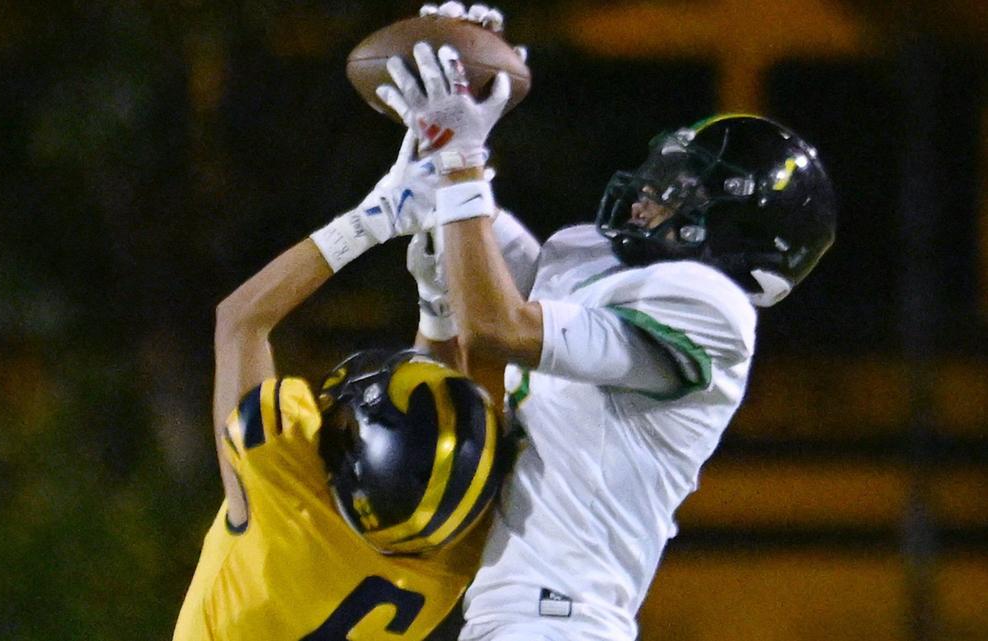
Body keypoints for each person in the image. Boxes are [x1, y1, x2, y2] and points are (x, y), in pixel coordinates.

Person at [377, 14, 838, 641]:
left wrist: (459, 159)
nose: (652, 193)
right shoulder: (597, 262)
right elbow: (472, 233)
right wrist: (451, 106)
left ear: (737, 229)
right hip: (515, 619)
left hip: (559, 620)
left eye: (682, 190)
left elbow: (494, 325)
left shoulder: (712, 307)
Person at [171, 125, 508, 641]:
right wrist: (438, 309)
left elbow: (240, 320)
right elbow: (439, 444)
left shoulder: (284, 508)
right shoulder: (446, 552)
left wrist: (376, 219)